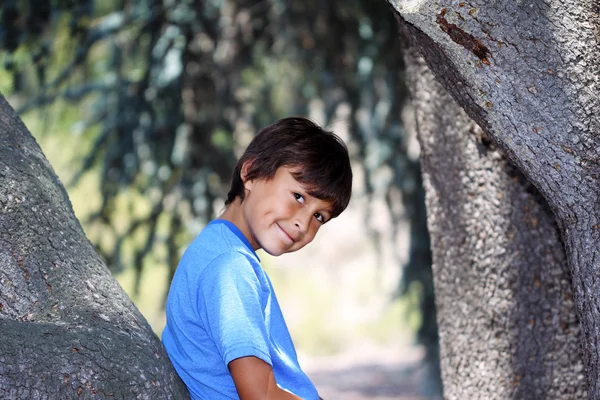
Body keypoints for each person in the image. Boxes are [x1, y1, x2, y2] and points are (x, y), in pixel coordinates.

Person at [162, 117, 353, 399]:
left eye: (319, 216)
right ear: (251, 174)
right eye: (299, 197)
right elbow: (259, 395)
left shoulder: (218, 250)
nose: (303, 223)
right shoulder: (229, 266)